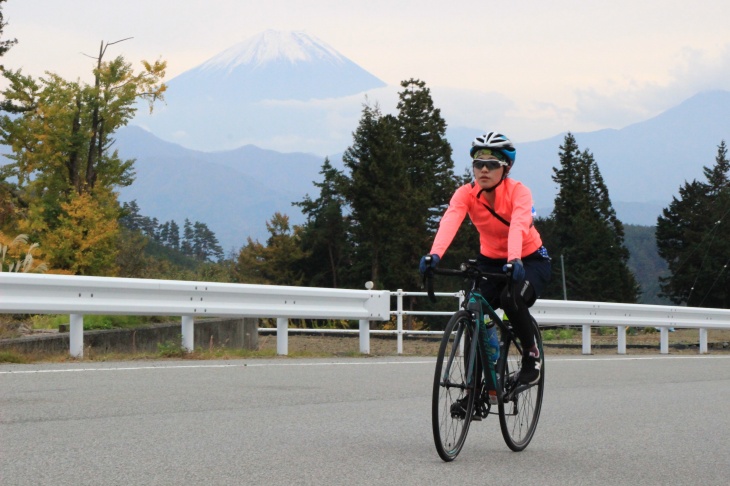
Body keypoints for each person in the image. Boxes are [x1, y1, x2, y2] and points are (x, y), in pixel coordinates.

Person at [419, 131, 551, 385]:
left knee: (510, 298)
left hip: (530, 259)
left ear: (506, 167)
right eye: (478, 164)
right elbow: (451, 220)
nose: (484, 170)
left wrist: (515, 259)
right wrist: (434, 255)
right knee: (474, 309)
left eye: (492, 164)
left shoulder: (519, 192)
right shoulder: (465, 194)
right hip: (489, 261)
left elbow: (518, 227)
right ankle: (475, 385)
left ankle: (531, 356)